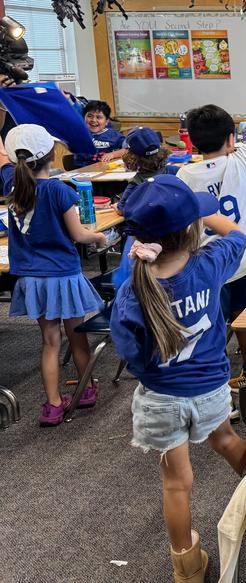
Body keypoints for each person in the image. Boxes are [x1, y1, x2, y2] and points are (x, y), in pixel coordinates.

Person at [110, 175, 246, 582]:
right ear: (194, 229)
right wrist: (208, 215)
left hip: (160, 397)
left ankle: (186, 566)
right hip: (210, 389)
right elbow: (239, 236)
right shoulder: (209, 264)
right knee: (227, 440)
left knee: (176, 483)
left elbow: (131, 355)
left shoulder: (132, 291)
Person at [177, 73, 246, 389]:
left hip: (207, 264)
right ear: (231, 138)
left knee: (210, 322)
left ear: (193, 140)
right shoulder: (243, 159)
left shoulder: (185, 175)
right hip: (242, 258)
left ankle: (212, 379)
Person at [0, 124, 106, 426]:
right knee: (77, 336)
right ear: (52, 154)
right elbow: (79, 235)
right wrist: (99, 238)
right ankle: (86, 390)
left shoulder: (12, 185)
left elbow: (4, 163)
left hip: (32, 280)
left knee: (49, 341)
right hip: (63, 276)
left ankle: (53, 404)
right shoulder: (60, 190)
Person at [116, 126, 179, 215]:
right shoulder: (176, 171)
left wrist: (116, 206)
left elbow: (122, 209)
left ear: (131, 157)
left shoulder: (136, 182)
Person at [73, 100, 126, 168]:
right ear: (84, 118)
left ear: (107, 121)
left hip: (105, 171)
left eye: (99, 117)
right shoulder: (78, 134)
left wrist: (113, 154)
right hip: (81, 172)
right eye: (90, 116)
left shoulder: (114, 136)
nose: (93, 120)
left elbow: (128, 149)